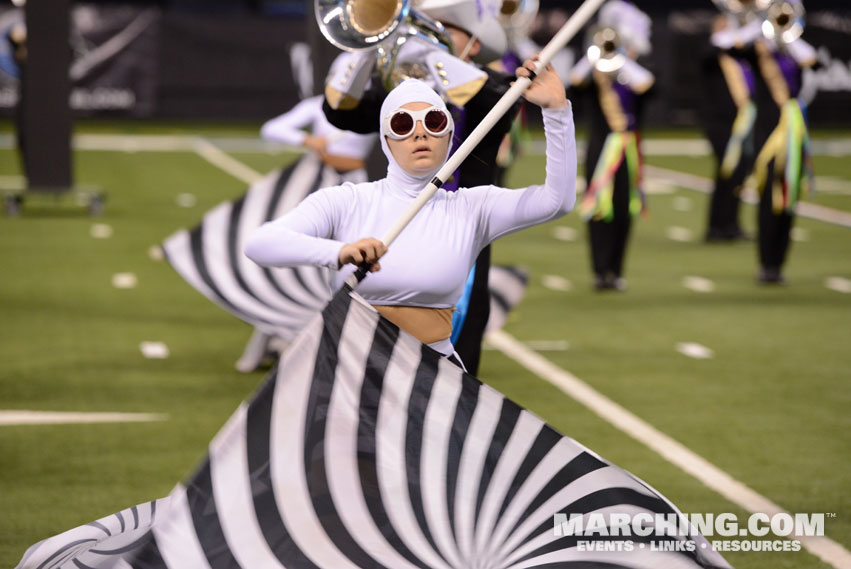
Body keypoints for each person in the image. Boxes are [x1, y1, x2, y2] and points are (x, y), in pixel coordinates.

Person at [245, 58, 575, 366]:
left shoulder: (474, 207)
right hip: (350, 373)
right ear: (387, 138)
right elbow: (260, 243)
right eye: (403, 123)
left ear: (448, 135)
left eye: (434, 122)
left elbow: (556, 202)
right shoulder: (347, 200)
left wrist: (557, 112)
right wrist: (340, 252)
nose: (420, 133)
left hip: (434, 375)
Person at [321, 0, 519, 374]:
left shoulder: (497, 89)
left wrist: (433, 56)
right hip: (392, 239)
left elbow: (492, 100)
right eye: (420, 26)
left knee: (455, 366)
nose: (420, 34)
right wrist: (367, 48)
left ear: (474, 45)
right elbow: (338, 112)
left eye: (441, 27)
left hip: (462, 249)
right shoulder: (399, 103)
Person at [233, 91, 378, 372]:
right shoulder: (318, 106)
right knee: (294, 271)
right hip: (319, 182)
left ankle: (326, 352)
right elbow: (272, 129)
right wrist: (306, 139)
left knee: (345, 275)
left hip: (354, 184)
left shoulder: (373, 106)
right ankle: (264, 347)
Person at [568, 0, 653, 291]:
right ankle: (599, 269)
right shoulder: (594, 79)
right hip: (600, 149)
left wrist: (622, 58)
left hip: (628, 150)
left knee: (624, 208)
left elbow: (649, 84)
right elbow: (574, 80)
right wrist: (595, 56)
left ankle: (616, 269)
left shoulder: (632, 76)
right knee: (599, 208)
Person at [747, 0, 816, 284]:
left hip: (794, 133)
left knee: (789, 197)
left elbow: (811, 59)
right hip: (767, 133)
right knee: (768, 199)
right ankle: (766, 261)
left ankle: (779, 262)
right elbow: (727, 45)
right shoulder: (758, 51)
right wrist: (762, 26)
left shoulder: (795, 50)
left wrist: (787, 35)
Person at [699, 9, 761, 242]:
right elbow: (713, 49)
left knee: (740, 171)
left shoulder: (738, 54)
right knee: (727, 171)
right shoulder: (711, 53)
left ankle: (731, 224)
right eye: (725, 26)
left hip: (742, 121)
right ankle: (715, 227)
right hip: (719, 123)